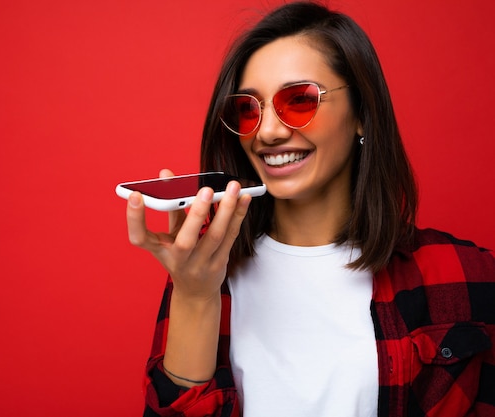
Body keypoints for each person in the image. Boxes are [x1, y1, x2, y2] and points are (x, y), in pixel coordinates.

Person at [123, 2, 495, 416]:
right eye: (248, 108)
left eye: (299, 100)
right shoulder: (204, 267)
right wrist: (195, 297)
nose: (267, 132)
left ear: (361, 113)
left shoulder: (463, 274)